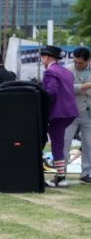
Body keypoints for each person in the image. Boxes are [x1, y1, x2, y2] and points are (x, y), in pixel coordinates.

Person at [40, 45, 78, 187]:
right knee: (58, 143)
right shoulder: (67, 71)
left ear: (47, 57)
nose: (41, 59)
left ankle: (61, 177)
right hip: (70, 112)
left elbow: (52, 92)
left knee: (57, 144)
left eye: (42, 57)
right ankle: (60, 176)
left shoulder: (50, 71)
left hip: (57, 113)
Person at [63, 47, 91, 183]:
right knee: (64, 142)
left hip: (88, 113)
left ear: (88, 60)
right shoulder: (68, 70)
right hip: (71, 113)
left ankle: (86, 173)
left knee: (89, 144)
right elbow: (67, 89)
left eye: (80, 62)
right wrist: (85, 86)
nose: (77, 64)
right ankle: (61, 172)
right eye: (75, 61)